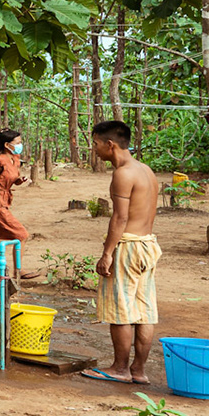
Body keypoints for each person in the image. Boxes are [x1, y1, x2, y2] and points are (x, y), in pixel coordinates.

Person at [85, 120, 162, 385]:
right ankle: (138, 370)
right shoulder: (146, 171)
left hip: (128, 246)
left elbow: (119, 218)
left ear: (110, 145)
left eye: (95, 143)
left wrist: (107, 253)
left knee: (121, 310)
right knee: (144, 312)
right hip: (148, 245)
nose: (94, 149)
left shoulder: (123, 174)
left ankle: (120, 368)